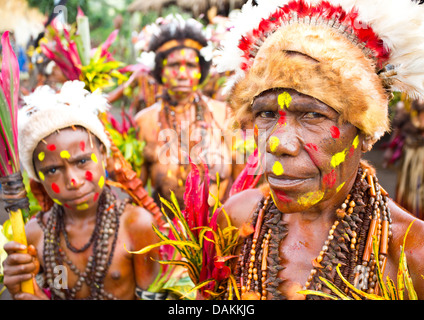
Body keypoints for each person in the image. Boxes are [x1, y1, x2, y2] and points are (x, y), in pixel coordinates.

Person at [215, 0, 424, 300]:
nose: (277, 143)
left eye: (312, 115)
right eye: (267, 114)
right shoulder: (235, 221)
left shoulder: (412, 253)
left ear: (365, 132)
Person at [2, 81, 160, 300]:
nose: (73, 181)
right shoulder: (35, 234)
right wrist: (22, 289)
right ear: (38, 179)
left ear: (104, 156)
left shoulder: (137, 225)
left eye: (83, 160)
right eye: (53, 170)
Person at [134, 16, 234, 211]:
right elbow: (136, 191)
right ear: (161, 70)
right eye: (173, 65)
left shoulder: (224, 114)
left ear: (201, 70)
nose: (182, 73)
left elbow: (242, 184)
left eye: (190, 65)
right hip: (166, 232)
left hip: (222, 232)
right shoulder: (145, 122)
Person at [383, 97, 424, 220]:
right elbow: (398, 129)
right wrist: (390, 150)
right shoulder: (405, 104)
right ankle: (407, 220)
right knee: (407, 189)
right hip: (410, 153)